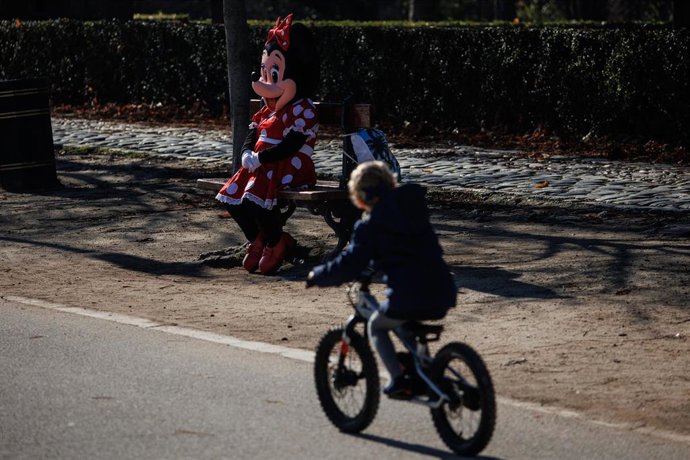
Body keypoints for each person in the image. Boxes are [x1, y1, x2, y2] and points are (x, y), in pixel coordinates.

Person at [307, 161, 457, 398]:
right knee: (406, 321)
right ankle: (426, 371)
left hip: (409, 294)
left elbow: (350, 263)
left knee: (376, 325)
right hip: (443, 288)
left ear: (362, 196)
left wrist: (319, 275)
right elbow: (403, 248)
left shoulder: (371, 224)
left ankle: (398, 379)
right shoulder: (413, 208)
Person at [216, 14, 320, 274]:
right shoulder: (266, 110)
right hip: (263, 165)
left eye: (274, 73)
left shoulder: (302, 110)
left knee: (253, 198)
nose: (266, 82)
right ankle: (263, 239)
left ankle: (274, 242)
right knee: (232, 199)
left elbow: (293, 144)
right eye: (266, 72)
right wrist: (246, 153)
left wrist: (261, 159)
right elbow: (252, 134)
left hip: (290, 164)